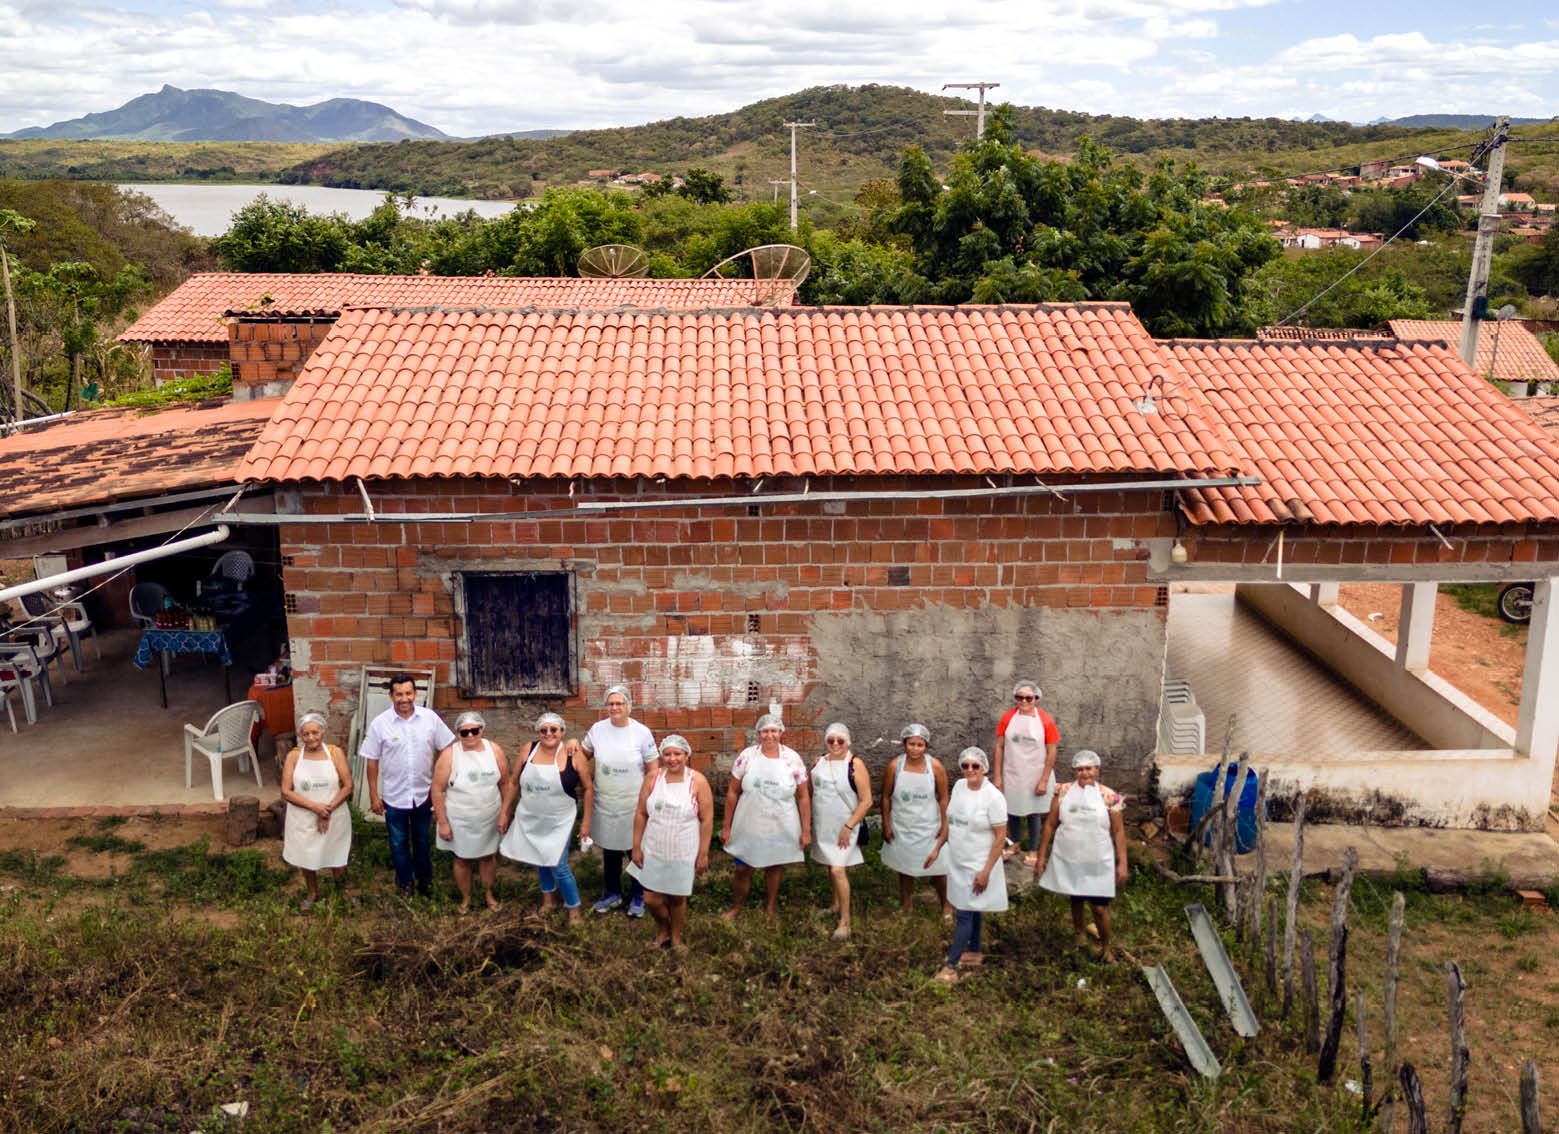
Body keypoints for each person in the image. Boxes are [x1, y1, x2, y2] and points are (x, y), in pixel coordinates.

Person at [359, 673, 455, 896]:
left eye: (408, 693)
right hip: (394, 797)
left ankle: (425, 883)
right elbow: (371, 761)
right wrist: (374, 795)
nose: (404, 698)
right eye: (399, 694)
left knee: (422, 843)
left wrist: (440, 783)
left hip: (424, 794)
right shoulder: (380, 724)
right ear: (391, 696)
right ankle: (405, 884)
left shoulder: (429, 718)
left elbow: (447, 747)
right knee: (398, 846)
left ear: (415, 693)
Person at [499, 712, 595, 924]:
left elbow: (588, 789)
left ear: (562, 732)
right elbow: (514, 783)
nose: (549, 733)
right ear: (538, 733)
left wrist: (586, 822)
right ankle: (548, 902)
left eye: (554, 729)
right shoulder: (528, 749)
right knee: (540, 859)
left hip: (560, 820)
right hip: (531, 817)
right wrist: (505, 811)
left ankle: (574, 909)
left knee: (559, 866)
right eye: (544, 730)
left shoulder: (573, 754)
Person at [1035, 749, 1129, 961]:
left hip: (1098, 860)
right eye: (1080, 769)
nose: (1084, 773)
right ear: (1074, 771)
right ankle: (1079, 935)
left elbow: (1118, 831)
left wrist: (1122, 862)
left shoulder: (1110, 797)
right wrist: (1042, 856)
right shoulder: (1063, 791)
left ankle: (1106, 947)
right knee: (1075, 896)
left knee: (1099, 907)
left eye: (1089, 768)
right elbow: (1050, 824)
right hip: (1070, 855)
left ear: (1097, 769)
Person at [720, 712, 811, 923]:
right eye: (764, 731)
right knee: (743, 868)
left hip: (780, 822)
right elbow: (733, 792)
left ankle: (769, 908)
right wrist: (726, 826)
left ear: (781, 732)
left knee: (774, 865)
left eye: (774, 731)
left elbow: (804, 796)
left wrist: (806, 830)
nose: (769, 735)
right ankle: (736, 907)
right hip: (749, 821)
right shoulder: (747, 757)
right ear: (758, 733)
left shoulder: (792, 759)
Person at [627, 734, 715, 950]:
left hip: (683, 849)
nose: (672, 759)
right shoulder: (652, 779)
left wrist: (703, 853)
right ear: (662, 756)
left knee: (677, 898)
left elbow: (707, 819)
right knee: (650, 899)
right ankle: (664, 928)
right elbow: (640, 814)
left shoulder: (698, 781)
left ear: (686, 755)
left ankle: (675, 938)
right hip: (654, 846)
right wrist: (636, 846)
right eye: (667, 754)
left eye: (677, 754)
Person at [929, 746, 1008, 983]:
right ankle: (974, 951)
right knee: (972, 908)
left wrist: (986, 872)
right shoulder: (960, 787)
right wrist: (937, 848)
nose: (970, 770)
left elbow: (1000, 838)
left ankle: (950, 967)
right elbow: (951, 822)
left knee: (964, 911)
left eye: (976, 766)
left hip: (979, 864)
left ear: (984, 768)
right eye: (965, 765)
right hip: (958, 859)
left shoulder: (993, 797)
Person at [581, 685, 658, 917]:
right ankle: (612, 893)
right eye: (611, 704)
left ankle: (639, 895)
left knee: (635, 849)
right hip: (606, 802)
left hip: (633, 803)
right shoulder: (598, 729)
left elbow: (653, 769)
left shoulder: (641, 732)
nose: (615, 708)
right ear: (606, 706)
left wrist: (648, 798)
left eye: (619, 703)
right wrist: (573, 747)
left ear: (628, 706)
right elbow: (582, 756)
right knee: (610, 850)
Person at [431, 711, 508, 914]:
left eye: (475, 731)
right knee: (461, 858)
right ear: (458, 734)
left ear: (482, 729)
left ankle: (488, 895)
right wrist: (443, 822)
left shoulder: (495, 750)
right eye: (464, 733)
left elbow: (505, 783)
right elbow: (437, 790)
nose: (470, 736)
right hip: (459, 817)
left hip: (489, 815)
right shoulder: (450, 754)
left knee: (487, 857)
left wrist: (505, 813)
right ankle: (466, 898)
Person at [280, 711, 354, 911]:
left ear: (323, 732)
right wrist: (315, 808)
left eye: (315, 732)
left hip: (335, 814)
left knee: (336, 855)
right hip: (303, 817)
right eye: (306, 734)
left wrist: (326, 811)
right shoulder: (294, 756)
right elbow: (286, 791)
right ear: (301, 736)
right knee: (307, 856)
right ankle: (313, 892)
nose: (311, 737)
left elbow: (348, 786)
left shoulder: (335, 752)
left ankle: (342, 893)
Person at [808, 722, 873, 940]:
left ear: (848, 741)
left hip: (845, 826)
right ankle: (836, 904)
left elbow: (866, 801)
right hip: (823, 824)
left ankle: (845, 922)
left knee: (837, 869)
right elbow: (812, 790)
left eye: (840, 740)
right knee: (829, 863)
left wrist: (849, 826)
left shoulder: (855, 765)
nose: (835, 744)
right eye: (831, 740)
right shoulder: (818, 762)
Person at [879, 723, 951, 918]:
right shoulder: (895, 766)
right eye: (911, 744)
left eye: (920, 745)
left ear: (925, 746)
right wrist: (886, 824)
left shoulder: (935, 766)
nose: (915, 749)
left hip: (929, 826)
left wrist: (945, 825)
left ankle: (946, 906)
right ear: (905, 744)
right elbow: (885, 797)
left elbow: (944, 798)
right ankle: (905, 905)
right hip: (902, 825)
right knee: (905, 866)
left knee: (939, 867)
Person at [992, 680, 1060, 866]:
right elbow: (999, 746)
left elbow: (1052, 750)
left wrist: (1044, 780)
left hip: (1036, 774)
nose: (1024, 701)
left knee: (1033, 812)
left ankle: (1033, 850)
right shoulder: (1007, 718)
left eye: (1028, 698)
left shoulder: (1045, 720)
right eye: (1019, 697)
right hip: (1013, 772)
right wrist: (998, 776)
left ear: (1036, 699)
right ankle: (1014, 845)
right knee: (1012, 810)